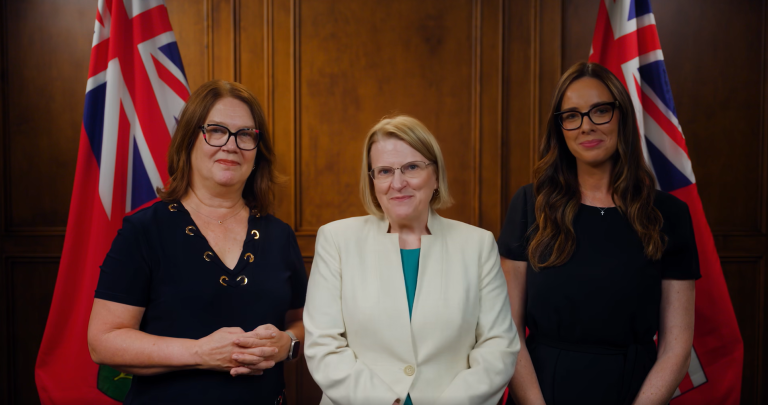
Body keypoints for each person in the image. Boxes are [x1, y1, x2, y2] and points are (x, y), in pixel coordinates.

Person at [87, 80, 307, 404]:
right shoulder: (144, 231)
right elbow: (103, 342)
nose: (231, 145)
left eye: (246, 134)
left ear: (257, 152)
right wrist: (199, 352)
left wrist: (287, 344)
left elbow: (303, 323)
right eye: (216, 130)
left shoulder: (279, 235)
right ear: (189, 140)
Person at [499, 62, 700, 405]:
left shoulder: (669, 214)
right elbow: (508, 331)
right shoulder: (530, 204)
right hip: (541, 389)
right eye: (572, 115)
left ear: (621, 116)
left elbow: (676, 347)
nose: (586, 126)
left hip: (634, 391)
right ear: (560, 127)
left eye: (600, 111)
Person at [303, 115, 520, 405]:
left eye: (412, 167)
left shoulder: (478, 245)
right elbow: (324, 346)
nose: (397, 183)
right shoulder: (336, 239)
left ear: (436, 176)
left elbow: (499, 347)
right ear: (373, 180)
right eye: (383, 171)